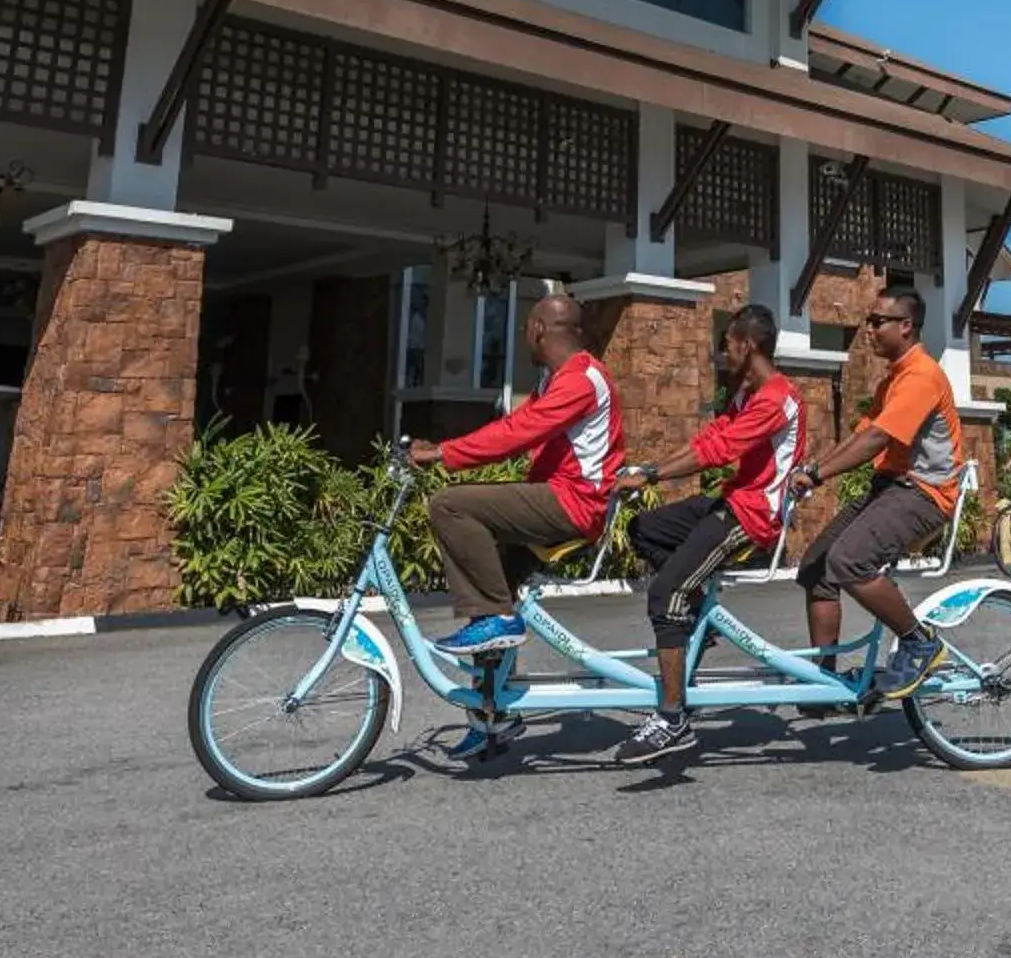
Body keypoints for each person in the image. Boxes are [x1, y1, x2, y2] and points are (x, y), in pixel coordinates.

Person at [407, 293, 621, 760]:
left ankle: (500, 620)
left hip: (574, 504)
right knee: (489, 600)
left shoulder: (582, 379)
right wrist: (446, 447)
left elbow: (516, 435)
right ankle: (491, 718)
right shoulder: (557, 379)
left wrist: (442, 454)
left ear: (539, 329)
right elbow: (519, 423)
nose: (525, 335)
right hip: (555, 497)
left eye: (526, 327)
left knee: (450, 505)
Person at [608, 303, 800, 766]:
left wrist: (652, 476)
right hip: (730, 501)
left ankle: (672, 719)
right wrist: (648, 469)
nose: (722, 353)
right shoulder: (748, 393)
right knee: (644, 529)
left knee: (665, 595)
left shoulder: (776, 398)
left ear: (747, 344)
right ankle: (692, 619)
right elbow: (709, 436)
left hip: (753, 516)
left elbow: (719, 450)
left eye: (727, 344)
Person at [785, 286, 961, 708]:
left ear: (906, 326)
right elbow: (864, 434)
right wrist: (812, 469)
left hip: (924, 492)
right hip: (893, 486)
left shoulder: (921, 375)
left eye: (877, 321)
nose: (869, 329)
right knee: (817, 568)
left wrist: (819, 475)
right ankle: (824, 681)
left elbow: (879, 438)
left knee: (850, 561)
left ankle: (920, 644)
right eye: (868, 320)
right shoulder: (895, 378)